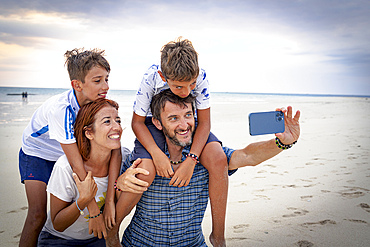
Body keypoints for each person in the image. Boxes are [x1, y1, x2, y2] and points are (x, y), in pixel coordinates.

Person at [108, 89, 301, 246]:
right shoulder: (143, 160)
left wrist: (283, 143)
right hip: (140, 243)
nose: (184, 125)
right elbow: (111, 197)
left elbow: (247, 156)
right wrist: (120, 183)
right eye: (174, 118)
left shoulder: (207, 157)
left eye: (188, 115)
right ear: (158, 123)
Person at [131, 37, 229, 245]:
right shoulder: (150, 77)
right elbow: (137, 123)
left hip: (187, 123)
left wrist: (191, 160)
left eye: (191, 85)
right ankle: (113, 231)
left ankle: (218, 235)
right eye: (178, 87)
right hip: (156, 123)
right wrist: (156, 154)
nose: (186, 91)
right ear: (162, 76)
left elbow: (204, 124)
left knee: (219, 158)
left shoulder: (200, 76)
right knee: (145, 171)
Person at [19, 49, 121, 246]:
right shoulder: (62, 110)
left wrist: (109, 201)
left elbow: (114, 148)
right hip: (36, 152)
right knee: (37, 215)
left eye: (107, 79)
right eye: (97, 80)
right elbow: (76, 164)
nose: (106, 86)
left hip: (62, 152)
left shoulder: (95, 103)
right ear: (77, 85)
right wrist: (93, 212)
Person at [37, 99, 148, 246]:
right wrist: (83, 200)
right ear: (89, 132)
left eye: (118, 120)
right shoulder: (66, 167)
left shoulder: (124, 157)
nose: (117, 127)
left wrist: (119, 185)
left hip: (97, 238)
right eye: (107, 122)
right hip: (58, 240)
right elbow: (58, 224)